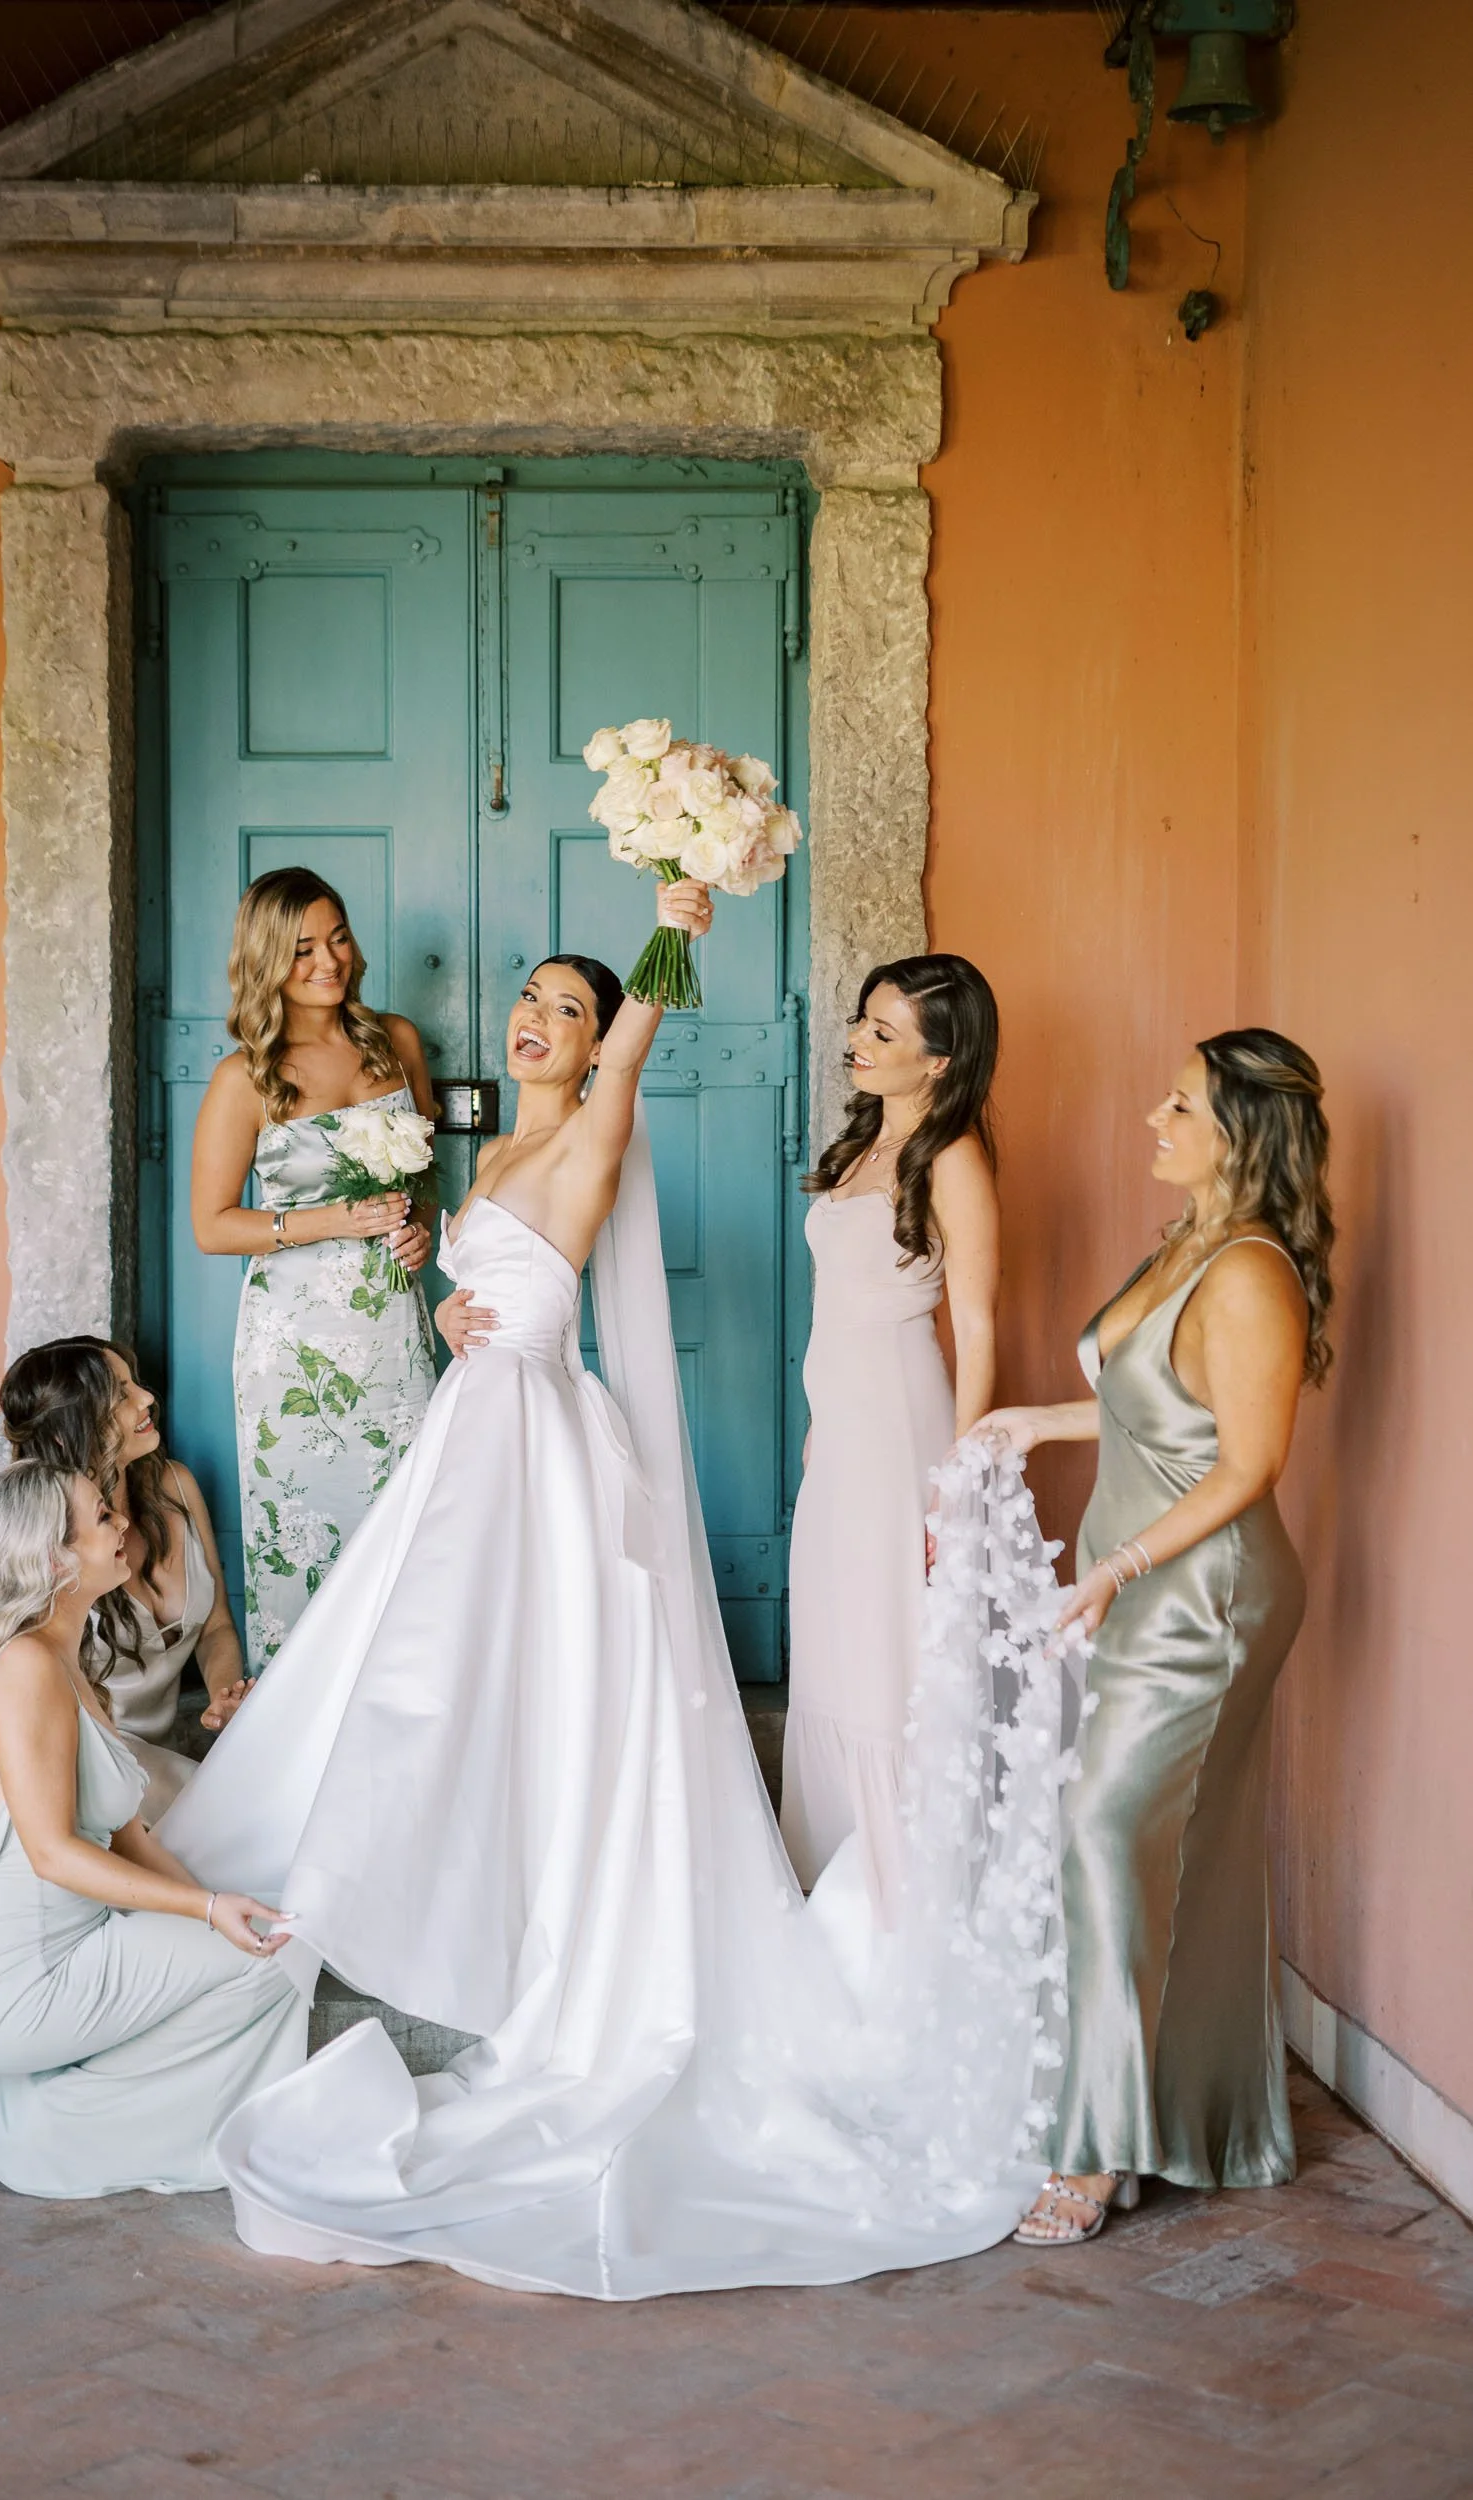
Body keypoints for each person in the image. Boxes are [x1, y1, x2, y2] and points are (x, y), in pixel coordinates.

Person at [158, 879, 1069, 2300]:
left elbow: (642, 1033)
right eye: (530, 1003)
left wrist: (671, 918)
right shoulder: (491, 1159)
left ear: (597, 1049)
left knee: (523, 1689)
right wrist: (445, 1295)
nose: (537, 1022)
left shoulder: (596, 1124)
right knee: (415, 1675)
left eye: (568, 1012)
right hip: (473, 1428)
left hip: (539, 1445)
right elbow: (480, 1283)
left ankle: (528, 1932)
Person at [976, 1029, 1333, 2243]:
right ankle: (1185, 2117)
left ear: (1240, 1130)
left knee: (1102, 1829)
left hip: (1207, 1597)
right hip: (1144, 1586)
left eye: (1178, 1103)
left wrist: (1119, 1564)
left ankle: (1096, 2149)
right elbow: (1152, 1408)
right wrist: (1034, 1420)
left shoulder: (1248, 1272)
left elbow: (1248, 1460)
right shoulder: (1183, 1242)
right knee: (1155, 1852)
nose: (1150, 1115)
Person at [0, 1461, 305, 2196]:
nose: (124, 1523)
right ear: (55, 1559)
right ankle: (34, 2118)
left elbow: (131, 1838)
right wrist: (207, 1912)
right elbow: (54, 1855)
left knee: (271, 1942)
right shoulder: (25, 1666)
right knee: (275, 1964)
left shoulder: (69, 1663)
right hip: (9, 1980)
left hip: (61, 1954)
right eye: (102, 1516)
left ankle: (11, 2078)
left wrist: (218, 1911)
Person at [783, 955, 1001, 1914]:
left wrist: (958, 1480)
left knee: (887, 1646)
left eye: (883, 1034)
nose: (856, 1043)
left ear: (941, 1062)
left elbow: (980, 1323)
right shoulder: (862, 1144)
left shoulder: (952, 1159)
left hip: (900, 1424)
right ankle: (830, 1871)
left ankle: (896, 1893)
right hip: (839, 1431)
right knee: (834, 1636)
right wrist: (814, 1429)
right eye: (861, 1023)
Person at [191, 867, 438, 1673]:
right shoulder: (246, 1078)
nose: (328, 960)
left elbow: (421, 1177)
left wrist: (420, 1233)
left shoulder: (394, 1042)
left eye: (337, 937)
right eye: (301, 949)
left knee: (409, 1528)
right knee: (302, 1535)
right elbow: (211, 1225)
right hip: (292, 1348)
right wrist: (332, 1223)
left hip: (393, 1333)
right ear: (267, 960)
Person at [0, 1337, 249, 1820]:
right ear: (65, 1433)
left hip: (170, 1756)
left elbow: (216, 1625)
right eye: (120, 1394)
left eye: (134, 1382)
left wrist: (225, 1701)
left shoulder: (176, 1485)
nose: (146, 1398)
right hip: (95, 1765)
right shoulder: (45, 1546)